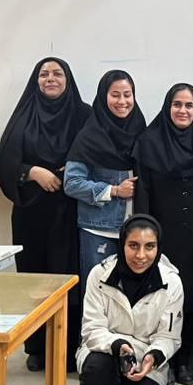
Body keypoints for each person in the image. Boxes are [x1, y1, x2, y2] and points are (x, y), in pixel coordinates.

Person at [0, 57, 90, 373]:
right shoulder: (24, 115)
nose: (50, 78)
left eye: (57, 73)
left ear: (68, 79)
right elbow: (6, 161)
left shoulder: (84, 115)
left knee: (69, 279)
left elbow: (99, 153)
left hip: (71, 211)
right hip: (31, 213)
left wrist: (70, 171)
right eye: (44, 74)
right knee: (33, 280)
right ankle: (36, 347)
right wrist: (32, 172)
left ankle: (69, 346)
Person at [77, 214, 183, 385]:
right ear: (122, 244)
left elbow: (169, 336)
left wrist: (154, 357)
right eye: (133, 245)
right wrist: (118, 345)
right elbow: (92, 328)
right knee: (95, 368)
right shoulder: (99, 275)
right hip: (106, 350)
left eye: (149, 246)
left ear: (158, 248)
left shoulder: (172, 282)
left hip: (146, 356)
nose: (141, 255)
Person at [133, 83, 193, 385]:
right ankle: (161, 360)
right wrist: (146, 236)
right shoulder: (148, 142)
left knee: (191, 299)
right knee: (160, 299)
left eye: (189, 105)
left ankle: (185, 360)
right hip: (161, 234)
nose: (183, 111)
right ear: (168, 107)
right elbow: (142, 192)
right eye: (177, 104)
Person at [64, 70, 146, 301]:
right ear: (103, 97)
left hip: (134, 230)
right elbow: (71, 183)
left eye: (127, 94)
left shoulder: (140, 129)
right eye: (115, 95)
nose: (122, 101)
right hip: (98, 230)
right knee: (97, 297)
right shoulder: (89, 136)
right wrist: (114, 190)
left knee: (130, 298)